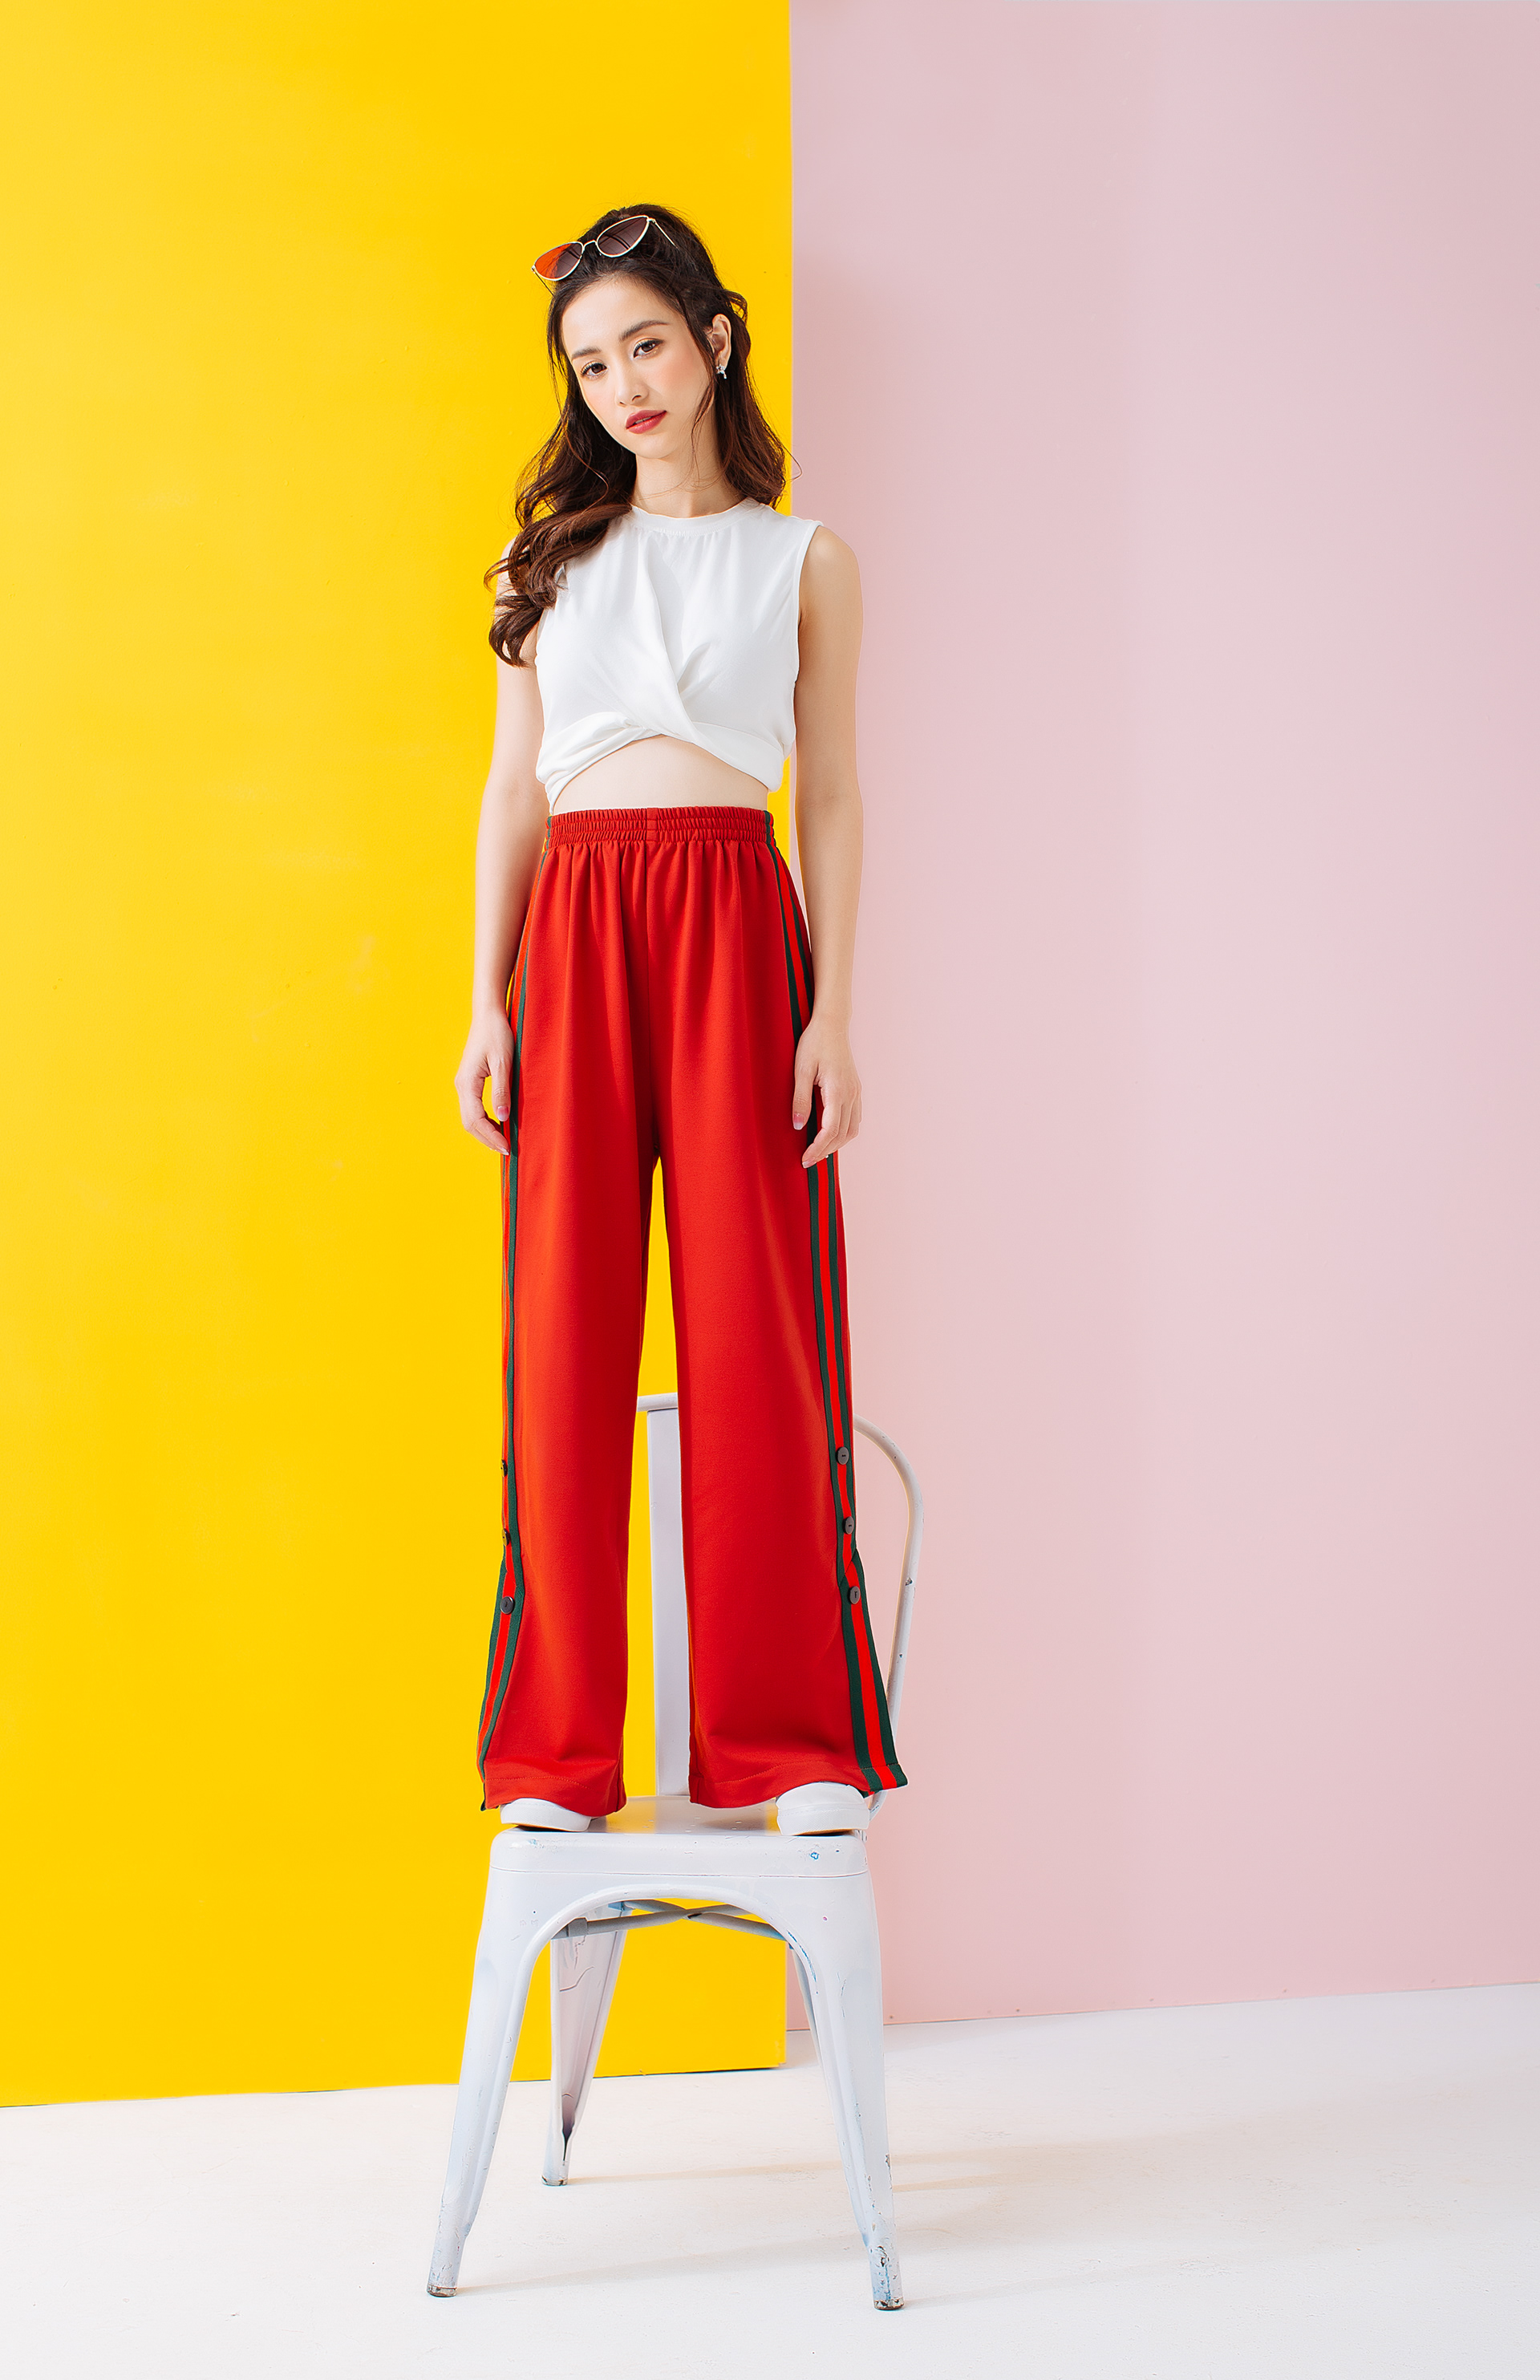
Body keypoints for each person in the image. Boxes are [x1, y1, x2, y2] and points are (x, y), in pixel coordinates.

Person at [452, 205, 904, 1839]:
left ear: (714, 341)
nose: (624, 384)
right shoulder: (546, 566)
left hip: (735, 925)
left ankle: (788, 1743)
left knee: (757, 1341)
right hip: (575, 934)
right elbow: (514, 791)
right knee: (563, 1342)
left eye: (646, 343)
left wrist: (832, 1011)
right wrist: (485, 1002)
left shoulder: (805, 559)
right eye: (591, 363)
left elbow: (830, 793)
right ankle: (554, 1755)